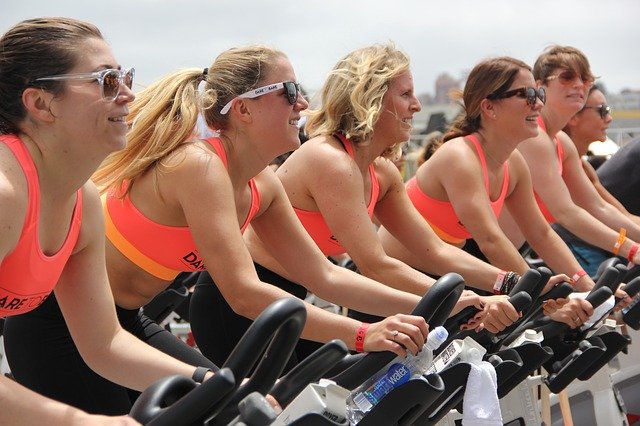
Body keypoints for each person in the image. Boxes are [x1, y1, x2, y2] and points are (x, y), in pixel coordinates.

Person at [89, 45, 438, 375]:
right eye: (288, 91)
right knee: (214, 405)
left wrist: (443, 302)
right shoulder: (199, 166)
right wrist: (363, 333)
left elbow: (325, 276)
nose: (301, 103)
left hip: (125, 318)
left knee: (216, 404)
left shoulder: (264, 185)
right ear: (243, 109)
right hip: (68, 317)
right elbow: (243, 294)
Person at [0, 17, 221, 425]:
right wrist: (79, 421)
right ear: (41, 103)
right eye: (106, 81)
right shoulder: (5, 194)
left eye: (125, 77)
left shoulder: (81, 199)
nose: (129, 94)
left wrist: (209, 381)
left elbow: (104, 343)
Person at [244, 43, 524, 339]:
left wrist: (510, 282)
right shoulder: (330, 160)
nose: (416, 105)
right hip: (247, 301)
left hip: (296, 299)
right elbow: (375, 264)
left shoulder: (382, 171)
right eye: (405, 95)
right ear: (371, 99)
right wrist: (463, 298)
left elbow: (437, 251)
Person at [378, 56, 599, 327]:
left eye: (538, 93)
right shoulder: (460, 156)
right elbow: (490, 240)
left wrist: (587, 288)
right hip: (394, 286)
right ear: (489, 107)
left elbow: (541, 234)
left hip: (441, 284)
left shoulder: (514, 163)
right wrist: (538, 292)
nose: (538, 103)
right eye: (526, 94)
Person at [503, 46, 640, 285]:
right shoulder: (535, 139)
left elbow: (598, 207)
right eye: (567, 77)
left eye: (585, 78)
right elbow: (566, 212)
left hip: (510, 251)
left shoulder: (561, 142)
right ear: (539, 86)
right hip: (477, 250)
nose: (579, 84)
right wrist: (630, 249)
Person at [553, 85, 640, 275]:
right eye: (602, 111)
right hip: (574, 246)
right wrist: (632, 248)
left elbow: (620, 214)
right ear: (573, 116)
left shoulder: (584, 166)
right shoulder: (557, 161)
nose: (609, 118)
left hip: (592, 244)